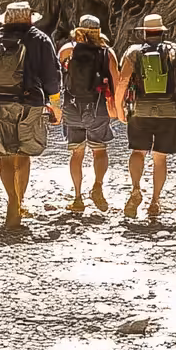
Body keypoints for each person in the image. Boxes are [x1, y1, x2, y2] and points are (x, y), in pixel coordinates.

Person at [0, 1, 62, 227]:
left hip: (2, 103)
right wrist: (55, 105)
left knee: (5, 156)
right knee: (23, 154)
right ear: (29, 18)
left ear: (7, 19)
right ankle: (20, 201)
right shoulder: (40, 39)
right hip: (32, 104)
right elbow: (52, 76)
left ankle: (12, 200)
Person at [115, 13, 176, 224]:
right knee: (160, 158)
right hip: (170, 111)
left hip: (140, 110)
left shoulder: (133, 52)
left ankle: (136, 189)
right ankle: (155, 201)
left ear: (144, 32)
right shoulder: (175, 51)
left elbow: (123, 82)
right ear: (162, 32)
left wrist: (118, 107)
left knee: (138, 152)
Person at [54, 16, 121, 213]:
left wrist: (55, 106)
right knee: (99, 150)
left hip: (72, 107)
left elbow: (57, 75)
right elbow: (117, 81)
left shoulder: (67, 50)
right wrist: (118, 108)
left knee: (77, 153)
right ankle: (97, 186)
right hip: (98, 108)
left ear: (79, 31)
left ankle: (77, 197)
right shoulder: (107, 53)